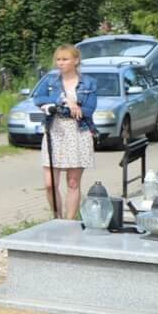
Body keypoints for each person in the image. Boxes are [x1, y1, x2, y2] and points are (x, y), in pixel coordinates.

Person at [33, 43, 95, 218]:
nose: (61, 63)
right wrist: (65, 101)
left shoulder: (88, 83)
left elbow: (89, 110)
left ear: (75, 60)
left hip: (78, 132)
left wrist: (72, 107)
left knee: (73, 182)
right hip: (55, 132)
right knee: (49, 184)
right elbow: (38, 98)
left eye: (65, 59)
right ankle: (57, 217)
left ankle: (69, 222)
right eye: (58, 59)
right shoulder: (50, 81)